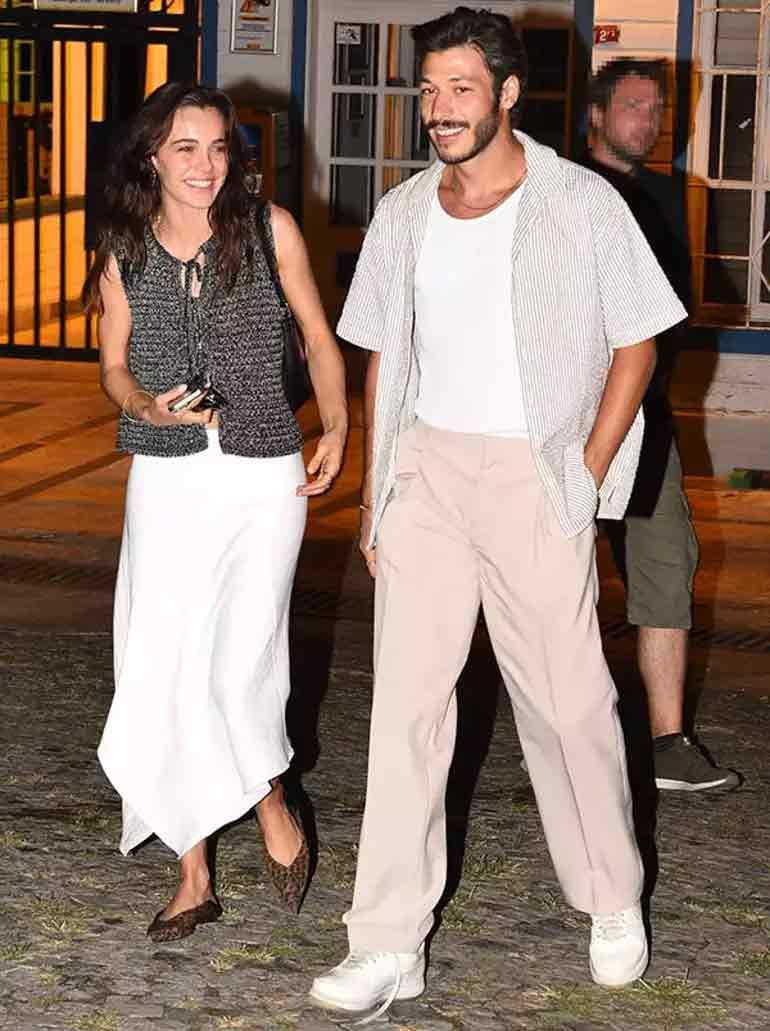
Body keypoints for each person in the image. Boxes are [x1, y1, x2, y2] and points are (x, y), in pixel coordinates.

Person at [309, 7, 688, 1018]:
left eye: (460, 90)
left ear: (508, 94)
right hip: (427, 473)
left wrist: (586, 467)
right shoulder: (403, 212)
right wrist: (378, 492)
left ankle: (610, 896)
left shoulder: (579, 202)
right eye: (429, 90)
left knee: (566, 704)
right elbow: (383, 353)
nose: (438, 109)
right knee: (406, 708)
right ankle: (387, 939)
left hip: (536, 470)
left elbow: (638, 340)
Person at [83, 82, 347, 942]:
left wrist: (339, 424)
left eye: (219, 147)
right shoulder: (124, 247)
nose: (206, 165)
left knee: (240, 661)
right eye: (186, 147)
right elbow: (113, 366)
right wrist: (144, 406)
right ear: (151, 156)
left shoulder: (268, 231)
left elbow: (317, 337)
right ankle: (192, 872)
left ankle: (269, 796)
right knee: (164, 662)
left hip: (262, 472)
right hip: (166, 475)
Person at [586, 59, 739, 792]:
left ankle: (669, 743)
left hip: (648, 419)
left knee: (665, 568)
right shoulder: (561, 187)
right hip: (571, 417)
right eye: (634, 106)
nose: (648, 122)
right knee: (560, 577)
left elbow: (682, 305)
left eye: (657, 110)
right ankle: (573, 739)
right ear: (597, 114)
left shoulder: (674, 195)